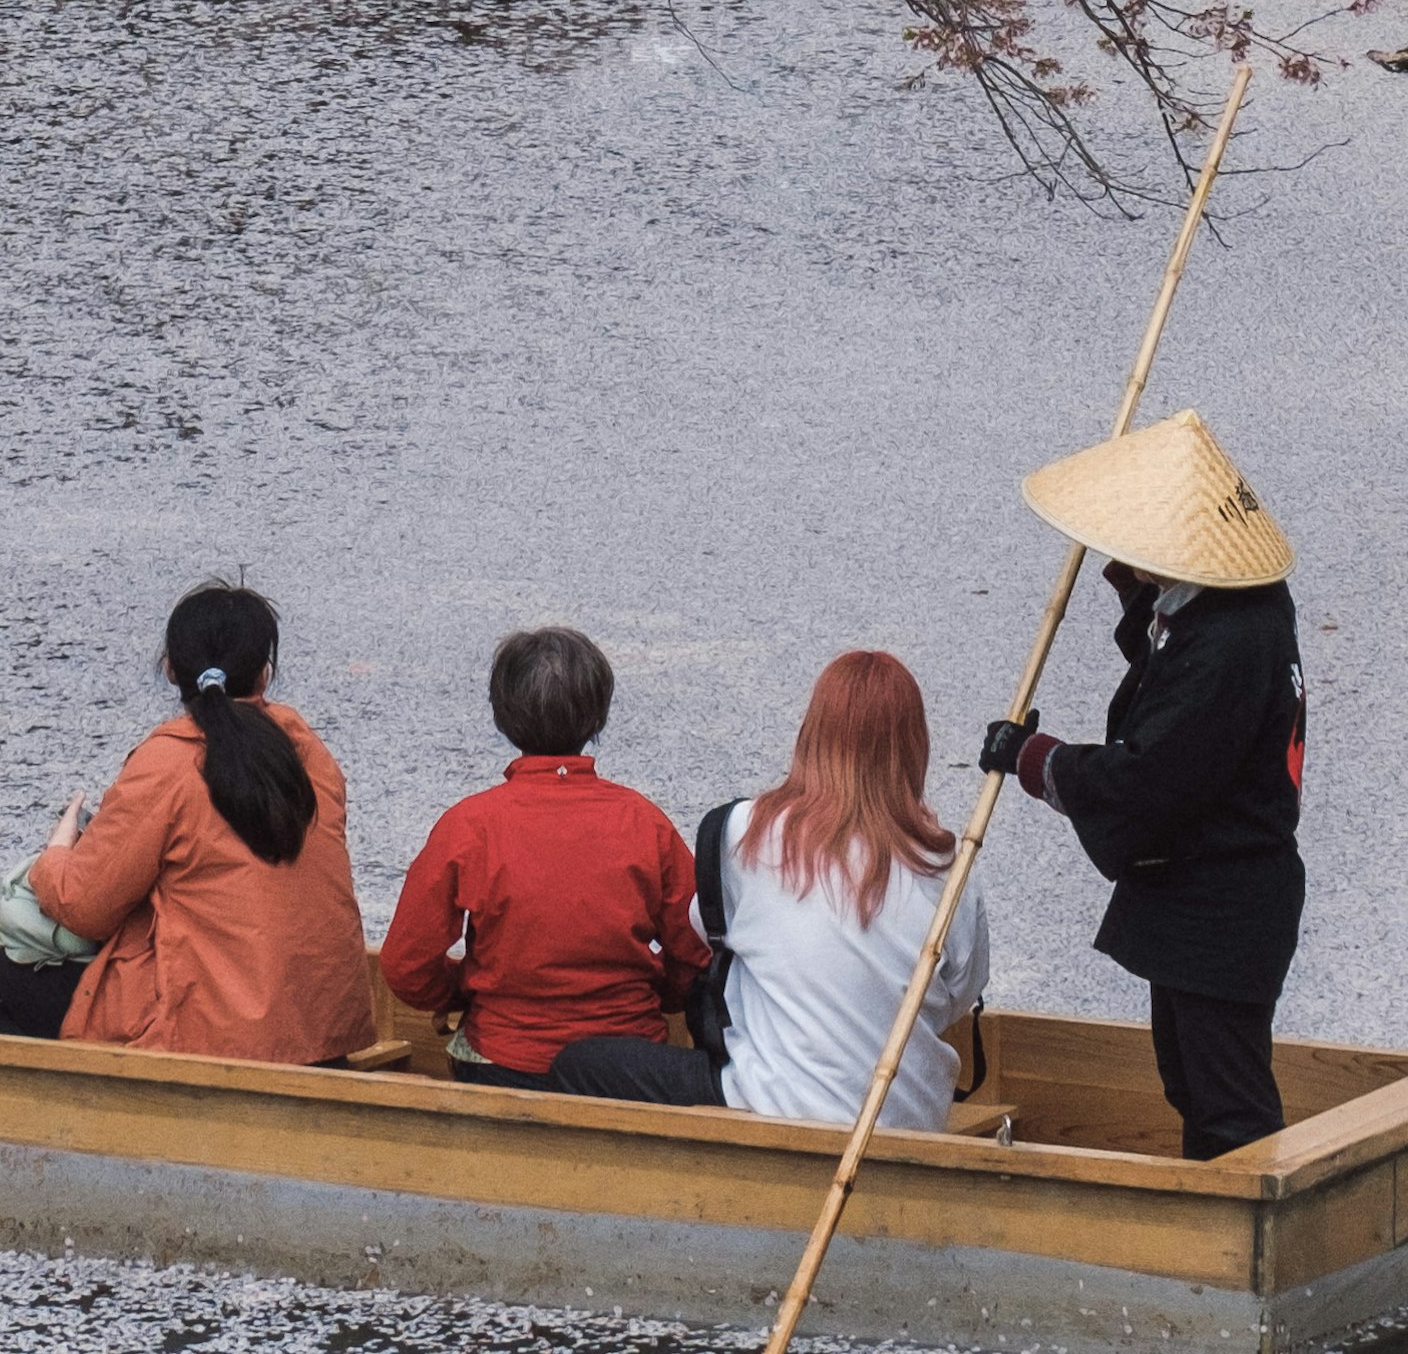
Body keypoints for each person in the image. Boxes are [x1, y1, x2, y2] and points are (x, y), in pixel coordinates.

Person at [983, 452, 1305, 1160]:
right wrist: (1130, 571)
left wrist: (1033, 759)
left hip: (1222, 901)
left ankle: (1239, 1253)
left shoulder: (1228, 642)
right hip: (1212, 895)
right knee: (1189, 1082)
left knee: (1228, 1108)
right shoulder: (1238, 610)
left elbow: (1146, 777)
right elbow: (1163, 657)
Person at [533, 648, 988, 1129]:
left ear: (812, 733)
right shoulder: (950, 865)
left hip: (771, 1101)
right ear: (915, 747)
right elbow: (957, 997)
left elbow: (706, 934)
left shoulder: (741, 832)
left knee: (578, 1064)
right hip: (905, 1117)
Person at [0, 578, 372, 1062]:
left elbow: (84, 905)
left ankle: (94, 1129)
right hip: (322, 1029)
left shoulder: (169, 762)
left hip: (216, 1031)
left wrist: (56, 851)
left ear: (172, 671)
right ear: (265, 675)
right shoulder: (314, 756)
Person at [379, 625, 710, 1086]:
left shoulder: (470, 826)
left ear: (503, 717)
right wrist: (657, 992)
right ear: (598, 718)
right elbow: (696, 950)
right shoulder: (644, 822)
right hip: (629, 1065)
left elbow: (405, 965)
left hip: (503, 1059)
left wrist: (463, 989)